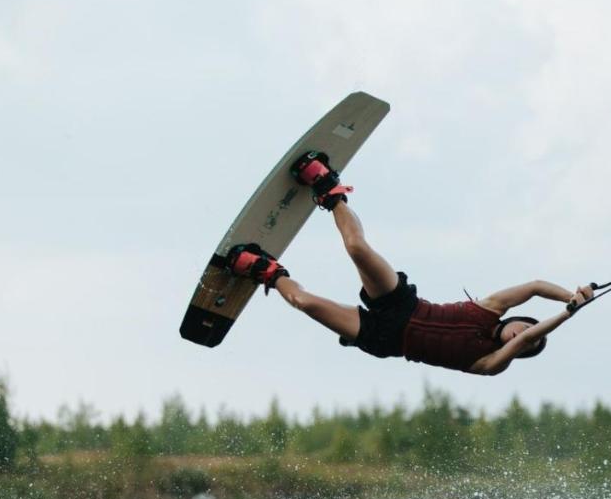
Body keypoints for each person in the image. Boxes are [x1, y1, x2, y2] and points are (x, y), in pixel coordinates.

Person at [225, 154, 592, 376]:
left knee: (305, 303)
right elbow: (534, 286)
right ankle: (329, 190)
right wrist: (569, 295)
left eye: (529, 346)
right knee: (357, 248)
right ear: (519, 319)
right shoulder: (490, 308)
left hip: (384, 338)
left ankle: (266, 271)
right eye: (528, 331)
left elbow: (529, 337)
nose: (525, 338)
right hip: (402, 304)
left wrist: (569, 314)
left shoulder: (491, 362)